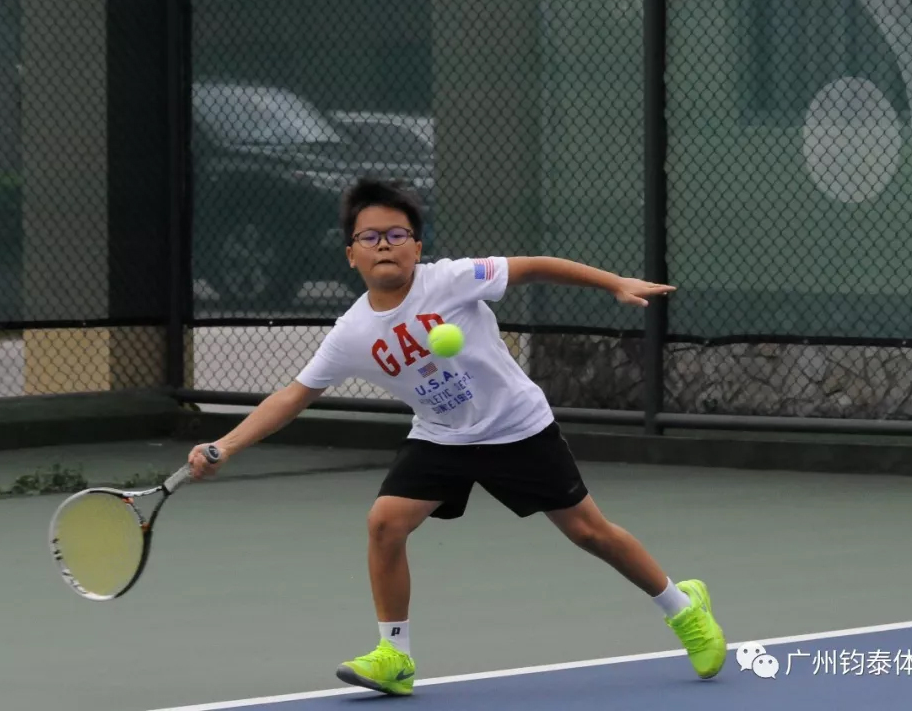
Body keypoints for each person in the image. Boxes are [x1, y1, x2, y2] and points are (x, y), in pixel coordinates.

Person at [187, 178, 726, 696]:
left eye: (397, 234)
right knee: (385, 524)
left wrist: (614, 284)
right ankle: (394, 656)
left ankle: (683, 608)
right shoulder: (352, 333)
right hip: (441, 437)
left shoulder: (452, 279)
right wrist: (226, 445)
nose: (384, 245)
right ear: (351, 254)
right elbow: (293, 395)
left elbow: (534, 266)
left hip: (516, 427)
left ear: (417, 247)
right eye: (370, 237)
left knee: (589, 533)